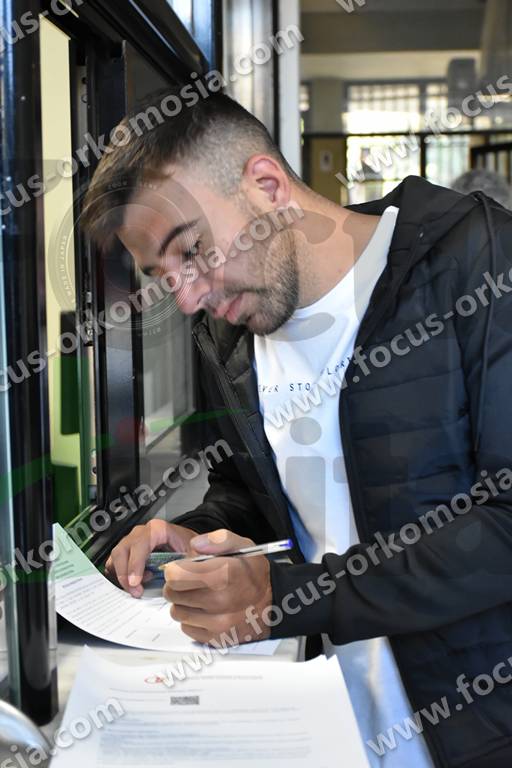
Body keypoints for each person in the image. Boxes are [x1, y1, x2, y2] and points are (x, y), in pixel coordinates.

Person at [80, 86, 512, 768]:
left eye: (192, 251)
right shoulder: (231, 330)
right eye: (164, 277)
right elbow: (257, 494)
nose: (187, 297)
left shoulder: (477, 263)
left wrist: (287, 597)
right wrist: (198, 535)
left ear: (267, 186)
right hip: (336, 729)